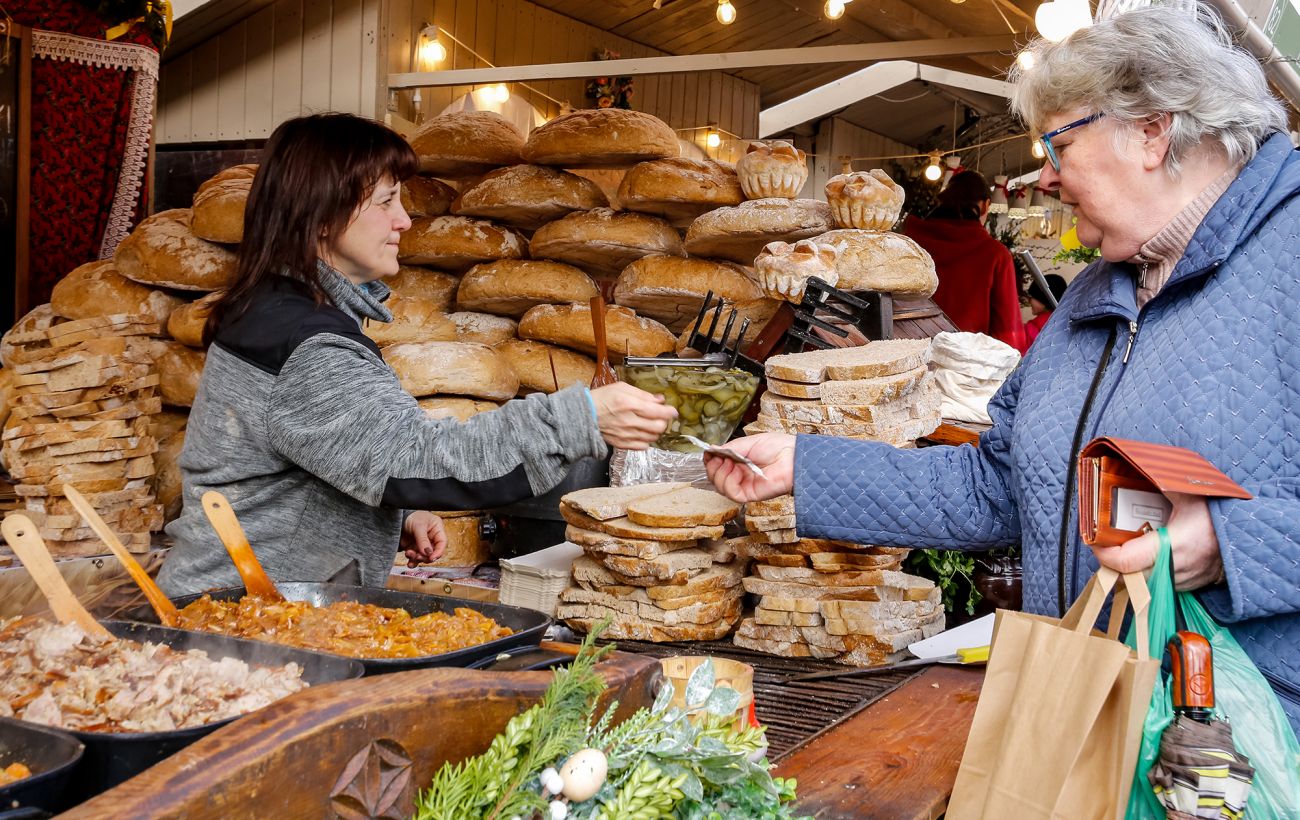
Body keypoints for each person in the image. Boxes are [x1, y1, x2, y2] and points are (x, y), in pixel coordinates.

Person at [706, 7, 1300, 731]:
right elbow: (996, 486)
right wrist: (804, 465)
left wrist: (1235, 545)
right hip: (1087, 727)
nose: (1044, 176)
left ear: (1152, 128)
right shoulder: (1096, 292)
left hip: (1249, 755)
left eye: (1058, 143)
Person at [158, 113, 677, 596]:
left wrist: (395, 511)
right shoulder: (304, 342)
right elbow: (419, 454)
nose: (404, 220)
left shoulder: (278, 312)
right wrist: (579, 417)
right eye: (385, 202)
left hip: (253, 606)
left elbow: (304, 455)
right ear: (319, 217)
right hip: (242, 621)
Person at [903, 170, 1026, 352]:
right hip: (964, 366)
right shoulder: (995, 254)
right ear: (985, 206)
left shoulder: (909, 242)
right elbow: (1007, 332)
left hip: (907, 357)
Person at [1022, 272, 1068, 347]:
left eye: (1032, 297)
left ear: (1044, 299)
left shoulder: (1031, 329)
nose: (1029, 301)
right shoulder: (1067, 322)